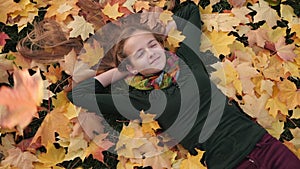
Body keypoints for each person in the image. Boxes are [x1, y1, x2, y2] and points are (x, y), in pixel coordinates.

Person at [67, 1, 300, 168]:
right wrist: (119, 72)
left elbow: (189, 9)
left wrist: (162, 32)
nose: (150, 53)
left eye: (152, 45)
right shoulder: (137, 98)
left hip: (263, 145)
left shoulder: (187, 58)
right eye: (139, 53)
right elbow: (79, 95)